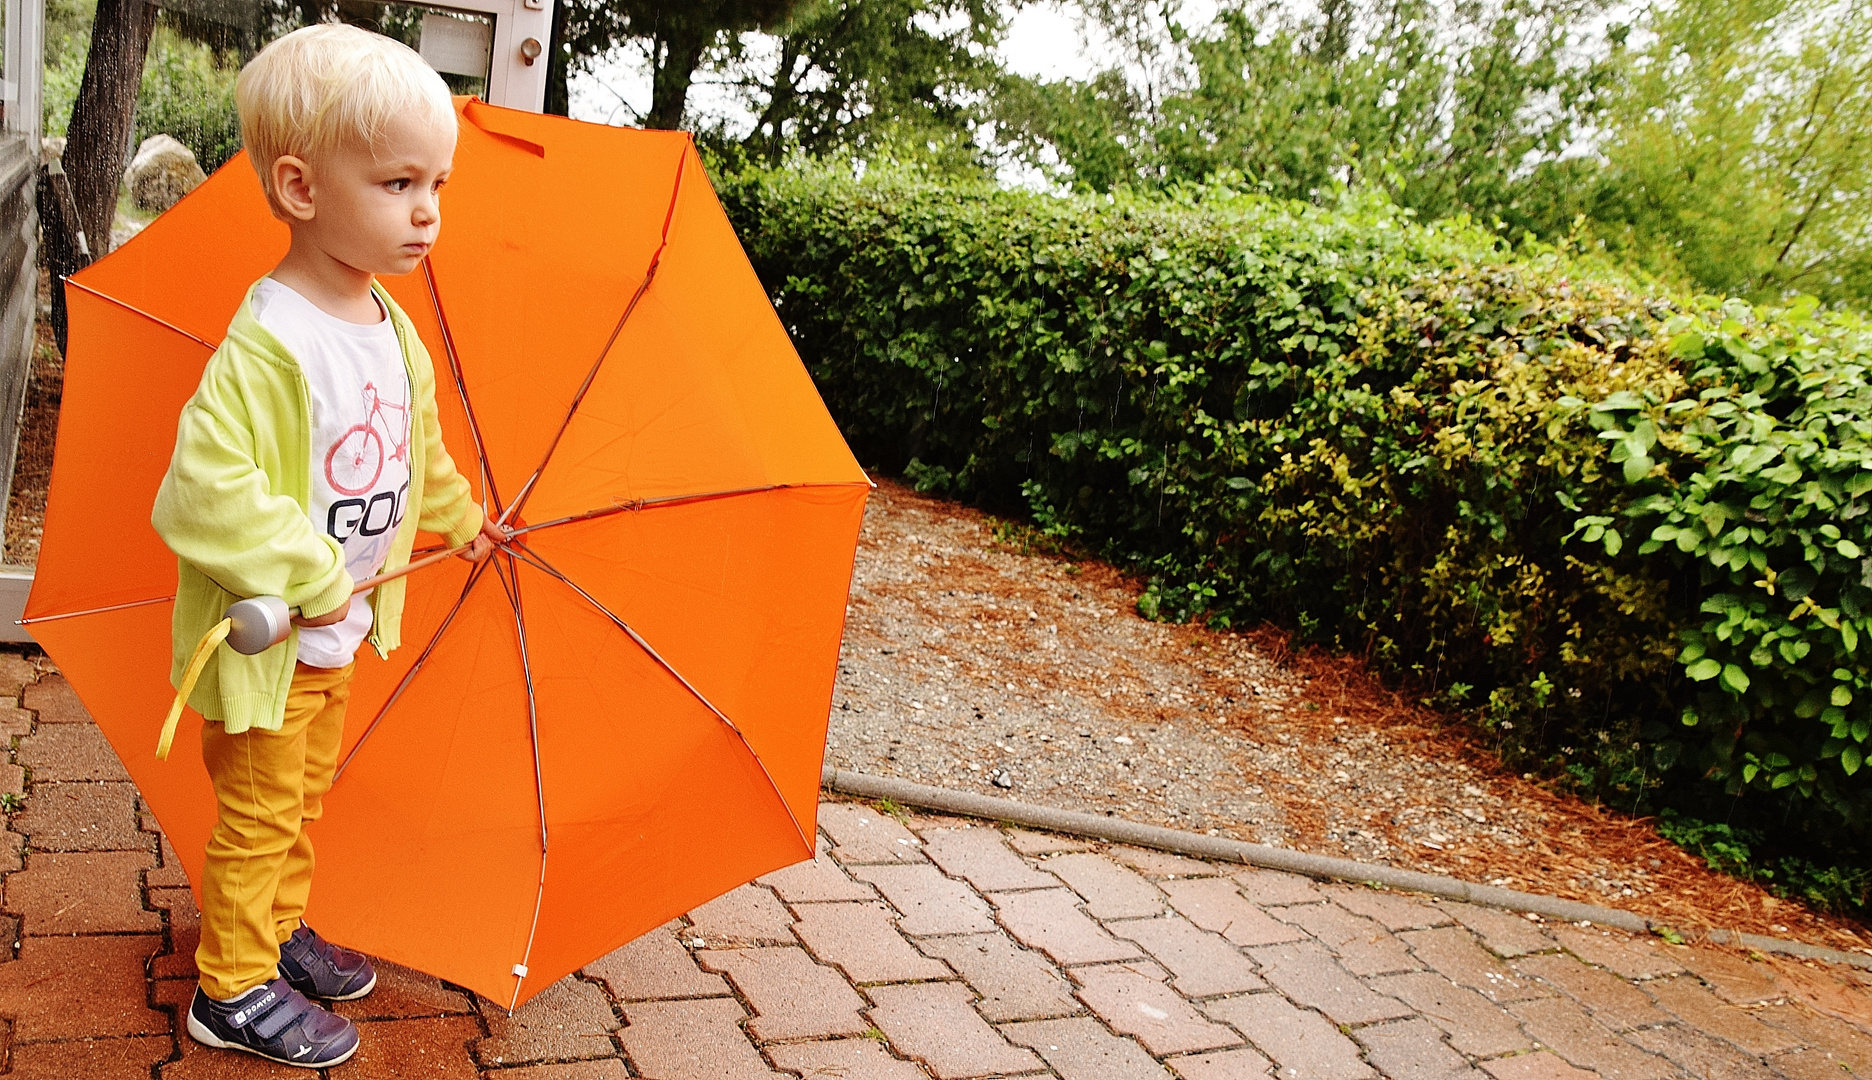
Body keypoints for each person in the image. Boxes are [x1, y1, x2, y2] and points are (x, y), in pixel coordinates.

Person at [150, 23, 505, 1068]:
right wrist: (309, 573)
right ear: (301, 189)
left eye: (437, 181)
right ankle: (231, 988)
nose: (428, 209)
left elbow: (415, 451)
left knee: (302, 799)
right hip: (269, 642)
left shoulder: (393, 330)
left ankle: (275, 931)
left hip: (334, 635)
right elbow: (200, 489)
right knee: (259, 811)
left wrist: (461, 515)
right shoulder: (271, 341)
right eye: (397, 182)